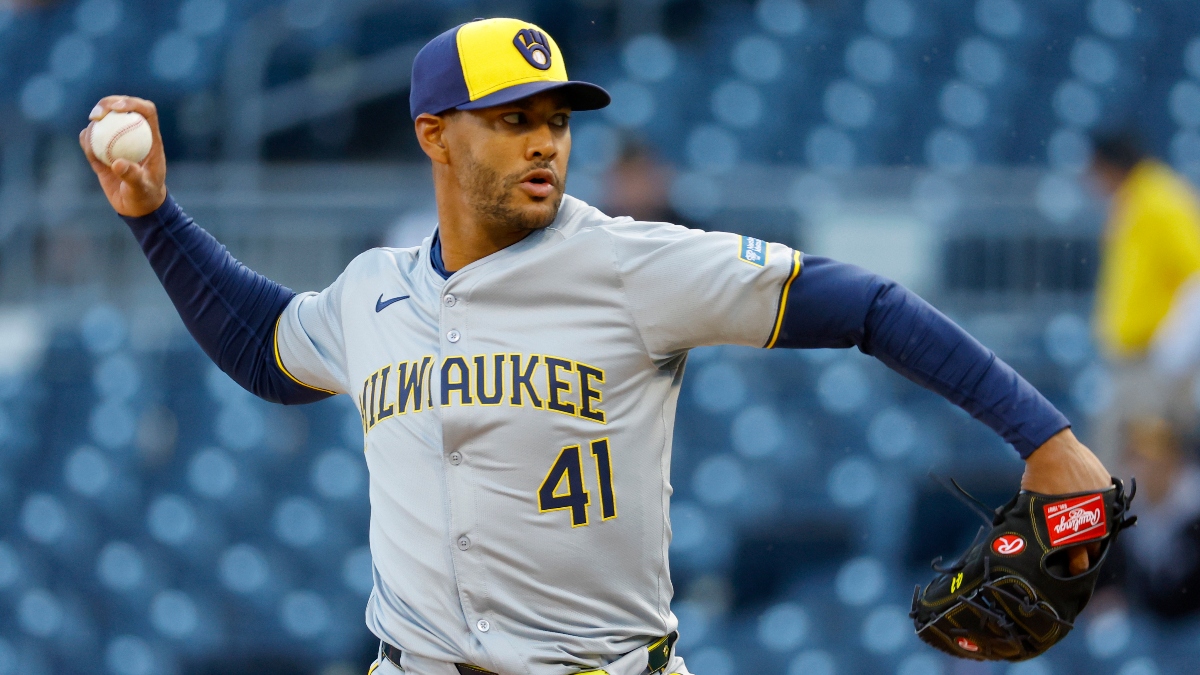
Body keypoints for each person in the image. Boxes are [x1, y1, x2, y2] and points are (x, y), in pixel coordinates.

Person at [81, 18, 1110, 675]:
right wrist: (155, 217)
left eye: (557, 121)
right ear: (435, 134)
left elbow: (869, 306)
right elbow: (264, 347)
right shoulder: (372, 291)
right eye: (512, 120)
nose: (545, 141)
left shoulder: (629, 265)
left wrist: (1045, 435)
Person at [1089, 134, 1200, 465]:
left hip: (1153, 358)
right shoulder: (1135, 199)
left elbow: (1196, 275)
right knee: (1119, 459)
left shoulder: (1161, 199)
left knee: (1139, 461)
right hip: (1133, 359)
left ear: (1109, 167)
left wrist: (1174, 351)